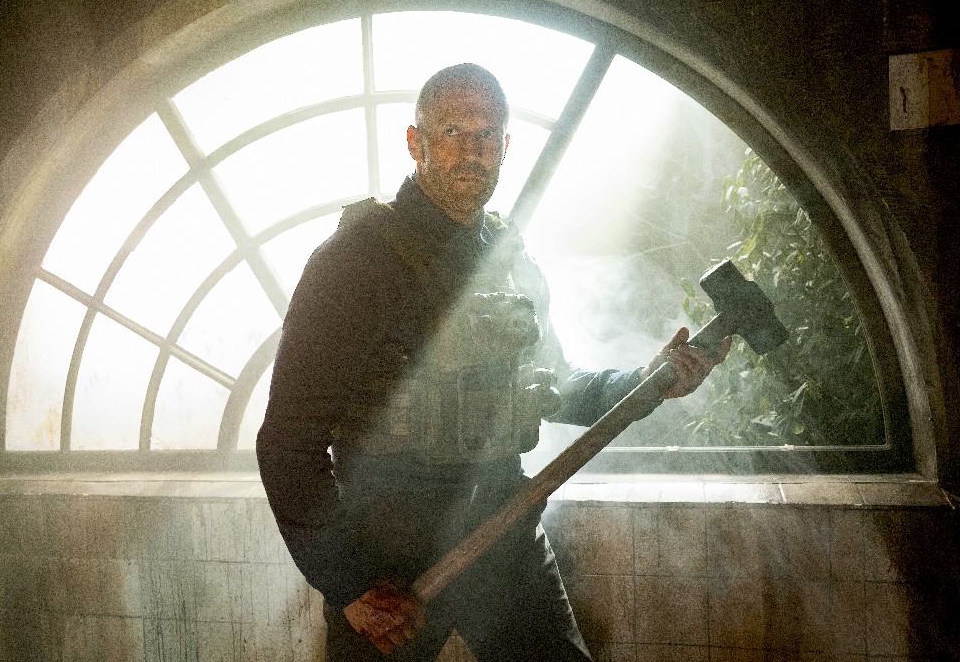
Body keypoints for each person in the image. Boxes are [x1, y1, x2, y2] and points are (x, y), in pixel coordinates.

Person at [256, 63, 726, 661]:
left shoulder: (511, 262)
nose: (471, 151)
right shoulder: (354, 263)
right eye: (452, 132)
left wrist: (646, 380)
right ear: (415, 142)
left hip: (503, 534)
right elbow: (288, 442)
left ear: (505, 147)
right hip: (385, 564)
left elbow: (558, 387)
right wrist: (348, 586)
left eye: (486, 136)